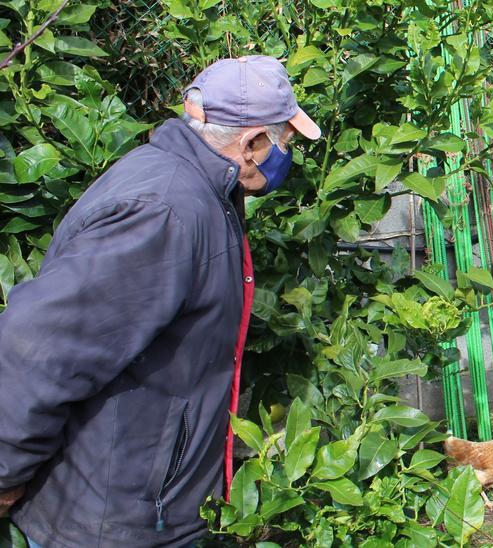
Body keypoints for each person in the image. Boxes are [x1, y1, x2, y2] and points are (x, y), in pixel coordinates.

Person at [0, 56, 320, 547]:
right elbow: (38, 349)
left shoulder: (196, 189)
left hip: (137, 503)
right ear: (252, 142)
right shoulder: (164, 212)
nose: (286, 153)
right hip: (108, 520)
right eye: (284, 141)